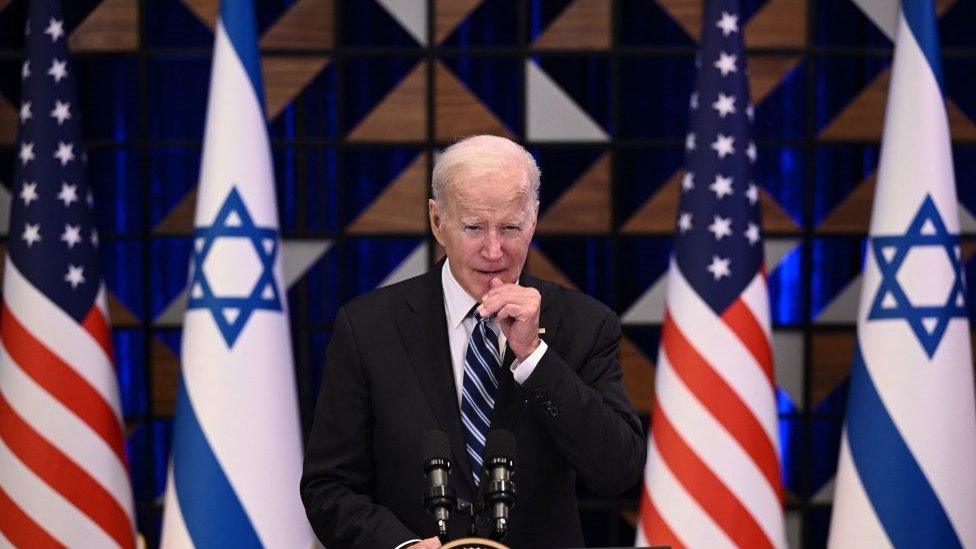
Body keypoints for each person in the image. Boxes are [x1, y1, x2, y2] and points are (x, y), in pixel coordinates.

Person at [300, 135, 646, 548]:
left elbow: (617, 471)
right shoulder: (368, 327)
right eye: (474, 227)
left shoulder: (585, 324)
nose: (494, 250)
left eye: (512, 227)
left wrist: (533, 357)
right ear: (437, 221)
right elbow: (330, 487)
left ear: (533, 219)